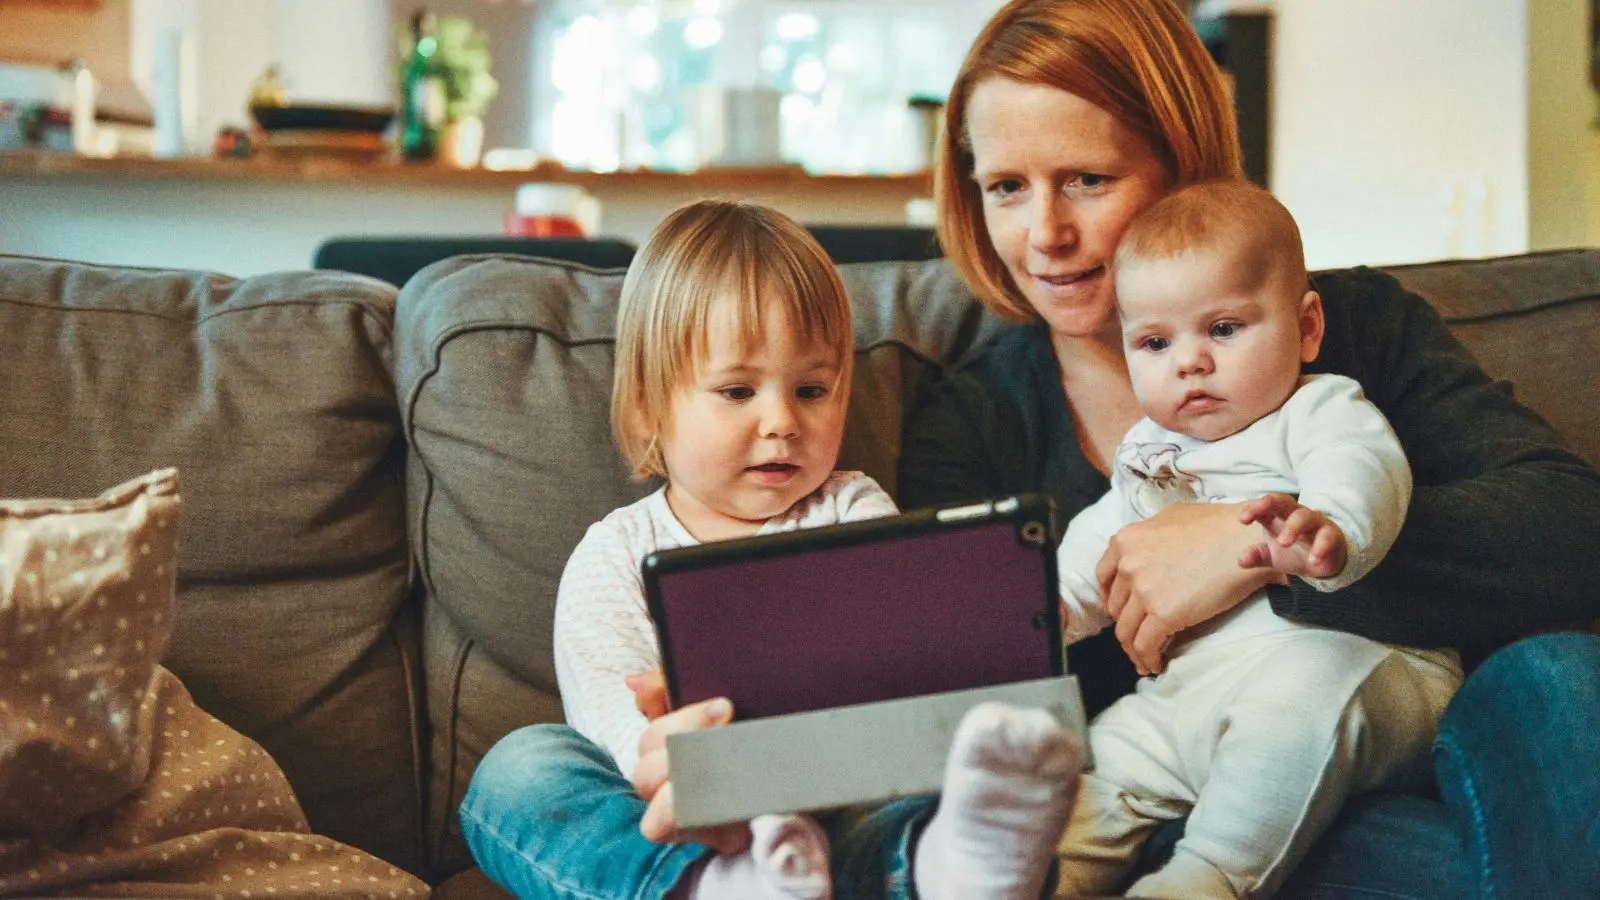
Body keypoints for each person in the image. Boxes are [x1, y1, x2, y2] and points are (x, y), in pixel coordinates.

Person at [896, 0, 1600, 896]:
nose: (1045, 234)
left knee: (1564, 674)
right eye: (1006, 187)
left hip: (1413, 738)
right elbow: (967, 670)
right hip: (1176, 802)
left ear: (1179, 164)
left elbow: (1574, 528)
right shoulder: (970, 420)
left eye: (1086, 179)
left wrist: (1254, 549)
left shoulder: (1351, 330)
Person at [459, 199, 1081, 900]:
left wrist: (987, 628)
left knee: (940, 790)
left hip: (843, 805)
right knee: (519, 769)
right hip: (688, 817)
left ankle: (953, 868)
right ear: (646, 407)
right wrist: (696, 765)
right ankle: (718, 887)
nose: (782, 421)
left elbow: (901, 667)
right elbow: (617, 732)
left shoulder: (853, 509)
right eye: (737, 390)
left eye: (812, 389)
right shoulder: (612, 555)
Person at [1044, 179, 1462, 899]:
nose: (1190, 362)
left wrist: (1331, 527)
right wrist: (1042, 612)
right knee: (1102, 759)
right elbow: (1102, 546)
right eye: (1154, 341)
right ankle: (1038, 877)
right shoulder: (1150, 451)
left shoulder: (1317, 407)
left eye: (1224, 329)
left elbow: (1363, 467)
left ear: (1305, 328)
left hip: (1357, 674)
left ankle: (1206, 878)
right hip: (1192, 697)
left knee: (1294, 704)